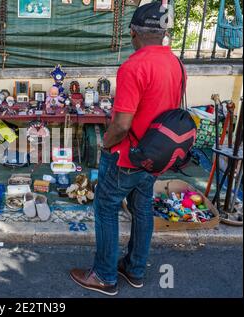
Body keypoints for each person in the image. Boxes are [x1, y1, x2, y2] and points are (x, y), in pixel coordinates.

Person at [70, 2, 186, 296]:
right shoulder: (176, 63)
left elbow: (120, 125)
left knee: (105, 208)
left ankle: (105, 276)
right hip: (156, 156)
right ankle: (134, 270)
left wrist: (105, 146)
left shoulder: (133, 66)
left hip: (127, 155)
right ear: (163, 32)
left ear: (134, 33)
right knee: (142, 208)